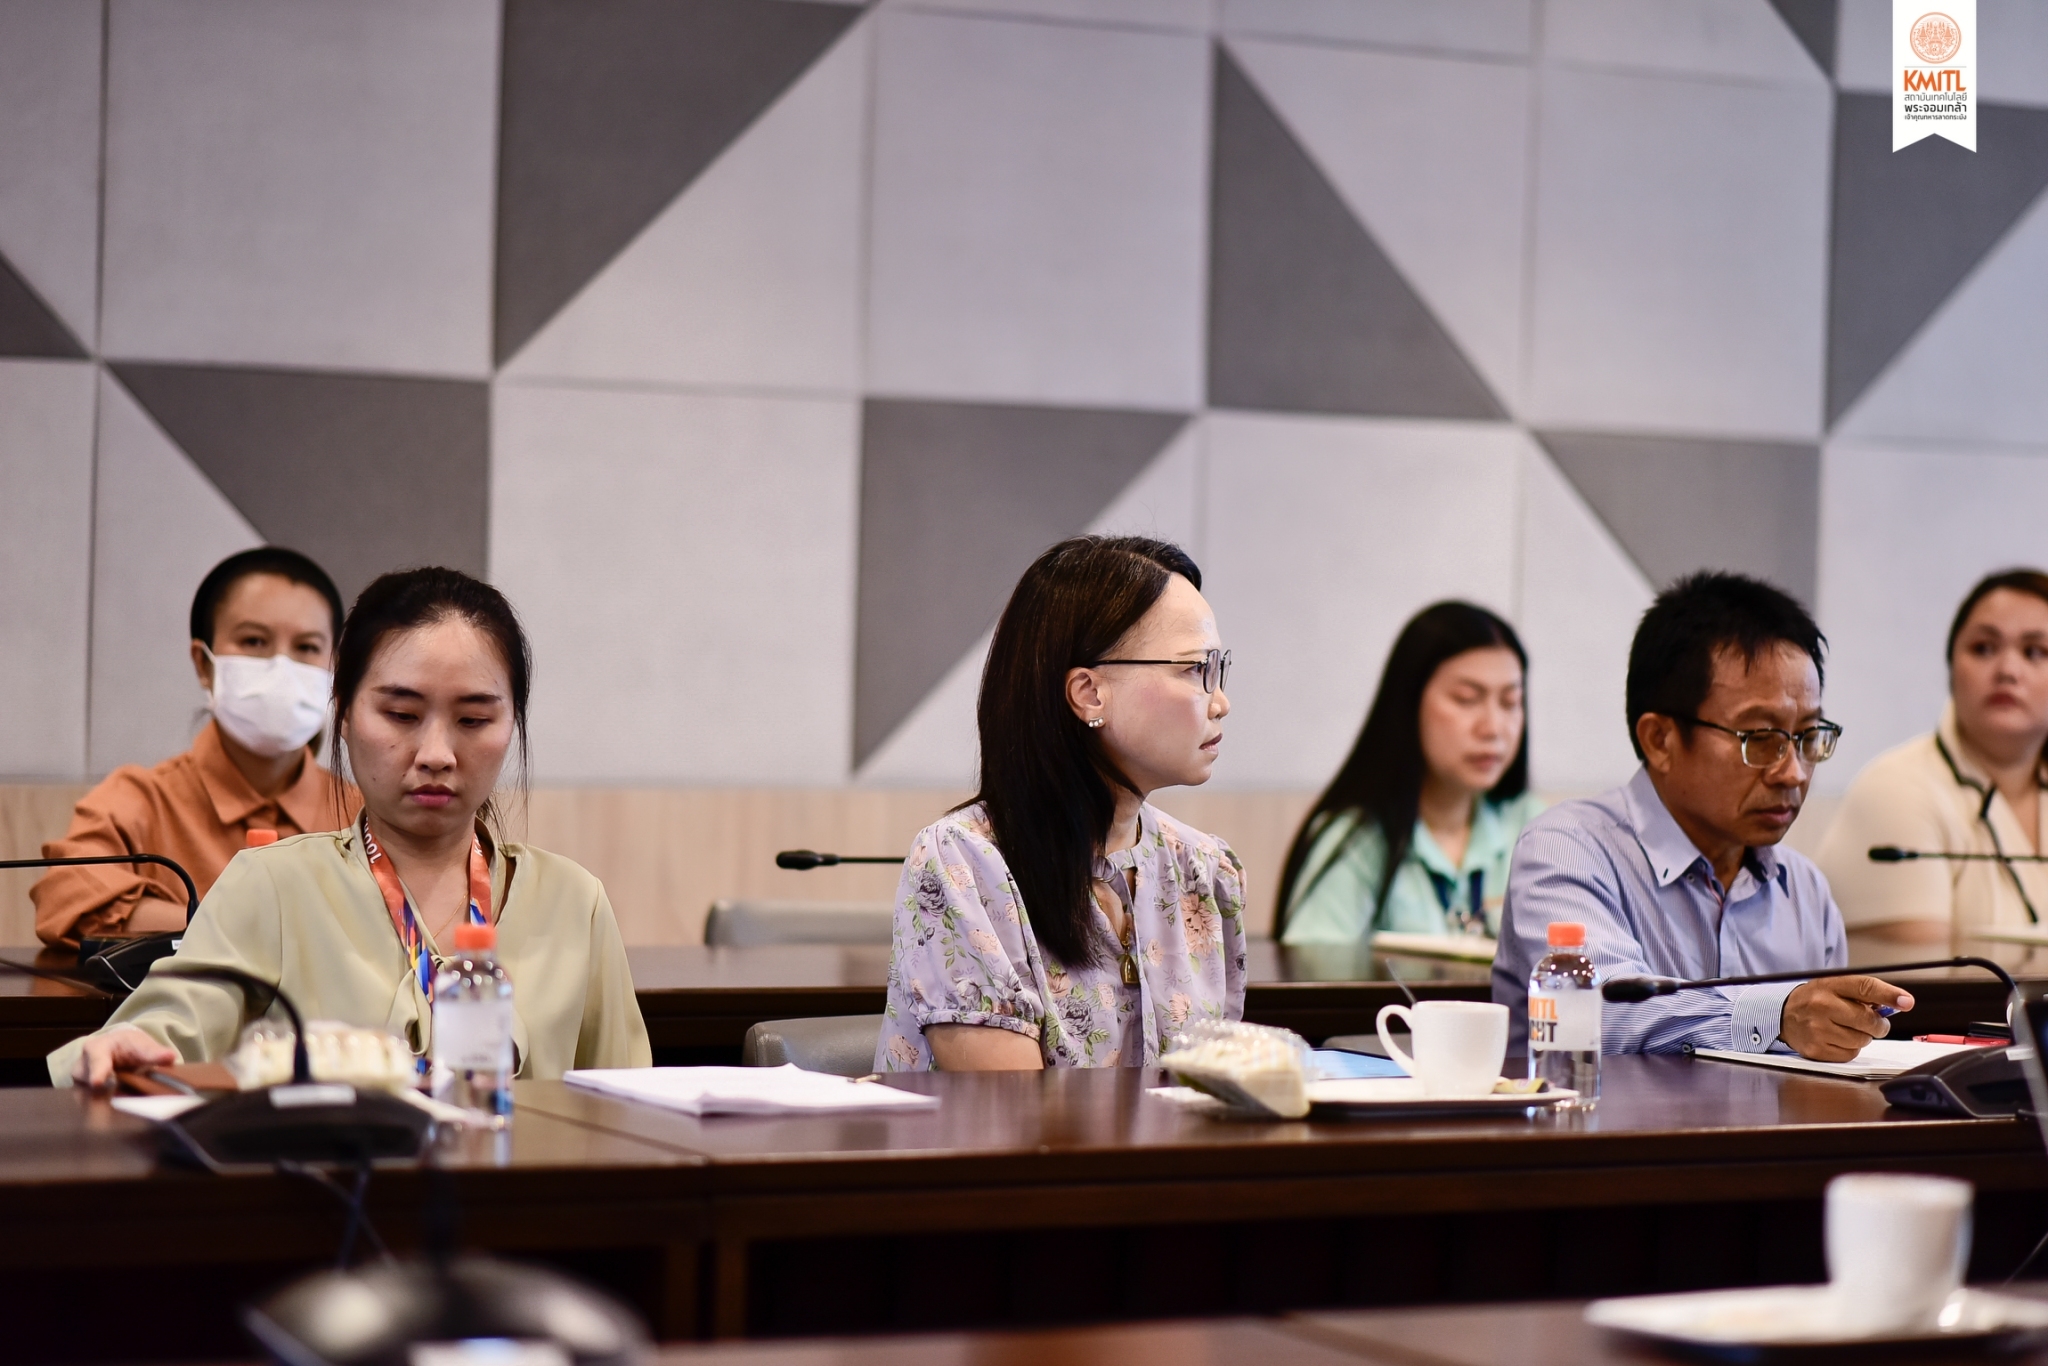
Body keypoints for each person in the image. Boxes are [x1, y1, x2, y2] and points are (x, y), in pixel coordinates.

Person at [55, 566, 650, 1087]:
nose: (436, 754)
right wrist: (126, 1044)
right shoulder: (271, 886)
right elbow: (167, 1024)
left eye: (473, 719)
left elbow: (629, 1108)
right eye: (401, 714)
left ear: (512, 722)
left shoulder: (576, 903)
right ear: (342, 711)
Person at [1494, 572, 1913, 1062]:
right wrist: (1776, 1017)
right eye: (1760, 738)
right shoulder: (1566, 850)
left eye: (1807, 736)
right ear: (1660, 740)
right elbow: (1599, 1008)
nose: (1793, 772)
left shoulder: (1805, 892)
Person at [874, 535, 1247, 1072]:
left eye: (1218, 668)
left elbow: (1218, 1094)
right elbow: (1013, 1112)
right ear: (1089, 693)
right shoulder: (964, 863)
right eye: (1194, 669)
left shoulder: (1208, 872)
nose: (1221, 702)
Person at [34, 548, 357, 950]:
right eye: (254, 641)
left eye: (307, 647)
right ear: (204, 664)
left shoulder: (365, 812)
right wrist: (245, 922)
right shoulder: (139, 801)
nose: (281, 667)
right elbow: (68, 899)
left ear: (335, 667)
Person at [1275, 602, 1540, 945]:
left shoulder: (1535, 829)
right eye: (1466, 699)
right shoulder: (1358, 840)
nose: (1493, 728)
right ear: (1408, 703)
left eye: (1510, 702)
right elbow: (1311, 971)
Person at [1819, 570, 2048, 950]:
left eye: (2035, 652)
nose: (2008, 670)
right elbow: (1924, 975)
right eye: (1983, 648)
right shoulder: (1895, 790)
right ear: (1952, 669)